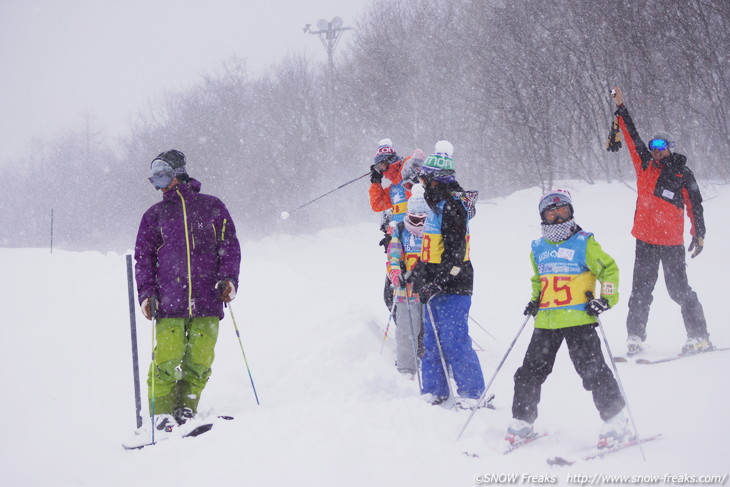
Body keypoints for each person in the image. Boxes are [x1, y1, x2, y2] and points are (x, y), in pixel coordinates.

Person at [506, 189, 628, 449]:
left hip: (579, 319)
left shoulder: (584, 241)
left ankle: (616, 419)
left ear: (571, 213)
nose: (559, 218)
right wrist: (535, 299)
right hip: (547, 321)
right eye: (553, 213)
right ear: (544, 216)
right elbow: (540, 278)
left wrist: (605, 299)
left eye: (564, 212)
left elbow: (608, 269)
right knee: (529, 373)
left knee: (593, 371)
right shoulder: (538, 247)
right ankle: (522, 420)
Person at [134, 149, 241, 434]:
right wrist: (147, 294)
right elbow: (143, 258)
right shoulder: (154, 216)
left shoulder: (212, 206)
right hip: (168, 300)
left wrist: (229, 280)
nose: (158, 184)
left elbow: (229, 247)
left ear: (177, 172)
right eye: (153, 179)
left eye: (162, 175)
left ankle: (186, 408)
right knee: (167, 358)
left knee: (200, 359)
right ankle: (161, 415)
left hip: (208, 297)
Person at [610, 87, 711, 356]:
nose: (655, 152)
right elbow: (631, 136)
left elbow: (695, 206)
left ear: (670, 149)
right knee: (640, 292)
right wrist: (621, 107)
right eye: (653, 147)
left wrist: (698, 233)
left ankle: (699, 336)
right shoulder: (645, 165)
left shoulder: (681, 174)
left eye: (661, 147)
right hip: (645, 240)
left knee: (679, 290)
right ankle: (635, 336)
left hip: (671, 243)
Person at [410, 140, 485, 408]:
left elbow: (455, 255)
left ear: (437, 180)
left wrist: (439, 283)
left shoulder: (453, 206)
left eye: (424, 179)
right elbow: (431, 247)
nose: (421, 184)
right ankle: (434, 390)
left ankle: (472, 394)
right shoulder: (435, 206)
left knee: (455, 341)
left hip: (455, 286)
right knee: (432, 342)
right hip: (435, 285)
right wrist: (418, 271)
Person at [387, 184, 428, 379]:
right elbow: (393, 258)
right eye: (415, 220)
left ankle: (435, 368)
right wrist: (396, 275)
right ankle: (406, 370)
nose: (419, 225)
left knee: (432, 332)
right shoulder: (400, 230)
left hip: (429, 290)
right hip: (406, 290)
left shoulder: (433, 232)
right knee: (406, 332)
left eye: (423, 220)